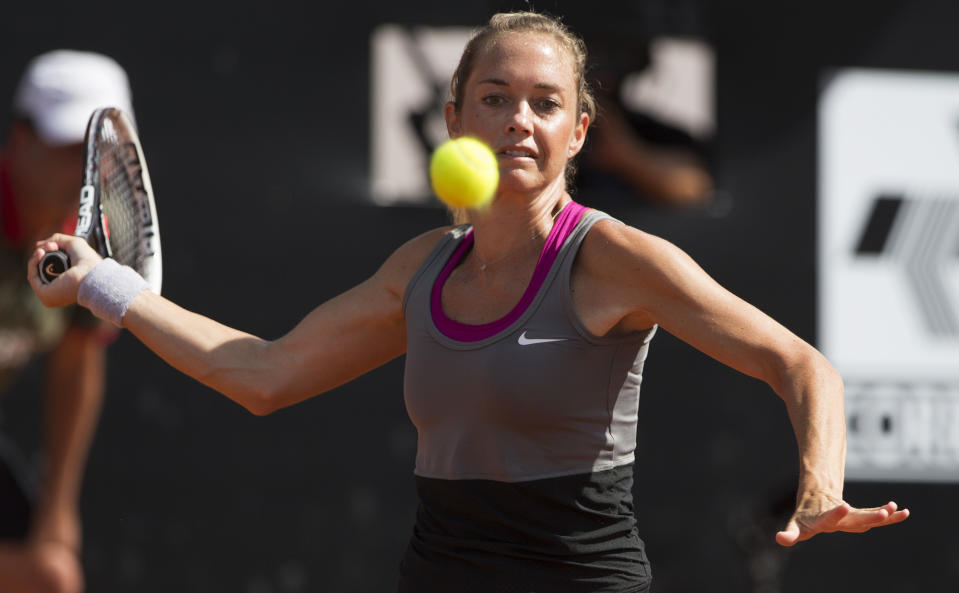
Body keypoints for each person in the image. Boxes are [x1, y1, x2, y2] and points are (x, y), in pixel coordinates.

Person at [28, 13, 908, 593]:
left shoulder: (615, 259)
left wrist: (818, 484)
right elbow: (260, 372)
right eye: (494, 98)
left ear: (578, 132)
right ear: (454, 119)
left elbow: (799, 363)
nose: (519, 120)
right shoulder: (422, 268)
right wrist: (105, 286)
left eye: (544, 104)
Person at [1, 50, 135, 593]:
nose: (83, 172)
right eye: (67, 150)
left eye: (96, 154)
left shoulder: (87, 244)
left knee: (52, 577)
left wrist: (58, 508)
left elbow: (77, 362)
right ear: (19, 141)